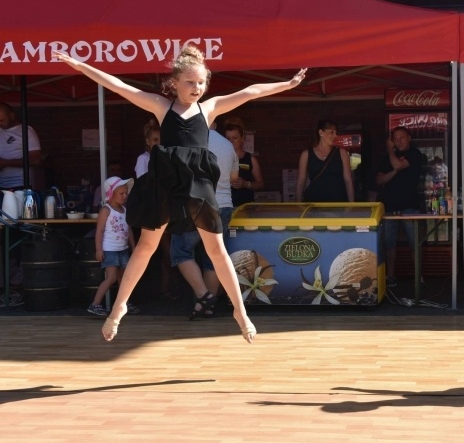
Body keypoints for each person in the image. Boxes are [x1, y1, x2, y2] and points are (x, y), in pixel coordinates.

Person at [53, 45, 306, 343]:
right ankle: (118, 306)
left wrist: (287, 85)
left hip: (198, 190)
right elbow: (118, 85)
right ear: (175, 82)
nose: (197, 88)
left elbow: (250, 91)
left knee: (217, 250)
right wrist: (81, 66)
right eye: (190, 82)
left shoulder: (209, 108)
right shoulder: (162, 107)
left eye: (201, 83)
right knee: (146, 247)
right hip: (166, 187)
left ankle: (240, 312)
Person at [171, 127, 239, 319]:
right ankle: (206, 308)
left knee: (180, 251)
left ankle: (204, 295)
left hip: (196, 204)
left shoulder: (189, 141)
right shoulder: (227, 145)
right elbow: (234, 178)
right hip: (224, 205)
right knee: (214, 257)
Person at [134, 119, 181, 301]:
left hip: (169, 209)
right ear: (147, 141)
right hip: (154, 211)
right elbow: (143, 185)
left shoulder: (166, 157)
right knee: (166, 252)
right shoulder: (143, 159)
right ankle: (167, 289)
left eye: (160, 140)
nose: (158, 144)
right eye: (155, 140)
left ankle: (169, 289)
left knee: (169, 252)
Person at [376, 126, 426, 287]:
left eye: (401, 137)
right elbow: (379, 181)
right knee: (389, 245)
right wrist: (393, 172)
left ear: (409, 138)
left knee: (414, 244)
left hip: (410, 205)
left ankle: (418, 276)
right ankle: (391, 277)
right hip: (389, 207)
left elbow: (397, 165)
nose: (398, 141)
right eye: (395, 139)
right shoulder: (385, 159)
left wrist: (391, 152)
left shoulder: (415, 154)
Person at [87, 177, 138, 317]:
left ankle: (124, 303)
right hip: (110, 250)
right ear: (111, 193)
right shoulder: (106, 210)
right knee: (112, 277)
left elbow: (129, 230)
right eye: (121, 193)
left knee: (124, 277)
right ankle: (95, 304)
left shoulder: (125, 210)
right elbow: (99, 230)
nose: (125, 196)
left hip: (123, 249)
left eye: (126, 193)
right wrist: (98, 249)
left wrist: (133, 246)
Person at [296, 119, 354, 202]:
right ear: (321, 133)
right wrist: (298, 205)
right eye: (331, 132)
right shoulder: (306, 154)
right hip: (315, 204)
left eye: (335, 132)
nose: (335, 136)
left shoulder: (342, 153)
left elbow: (348, 181)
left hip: (338, 204)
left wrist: (352, 205)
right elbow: (301, 183)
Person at [0, 102, 42, 190]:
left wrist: (6, 163)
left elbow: (35, 160)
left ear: (12, 116)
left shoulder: (27, 131)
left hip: (21, 185)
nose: (0, 123)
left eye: (2, 120)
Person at [224, 117, 264, 207]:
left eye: (235, 138)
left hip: (246, 207)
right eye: (227, 138)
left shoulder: (250, 159)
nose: (231, 141)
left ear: (242, 138)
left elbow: (260, 184)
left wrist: (245, 184)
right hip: (226, 206)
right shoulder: (220, 158)